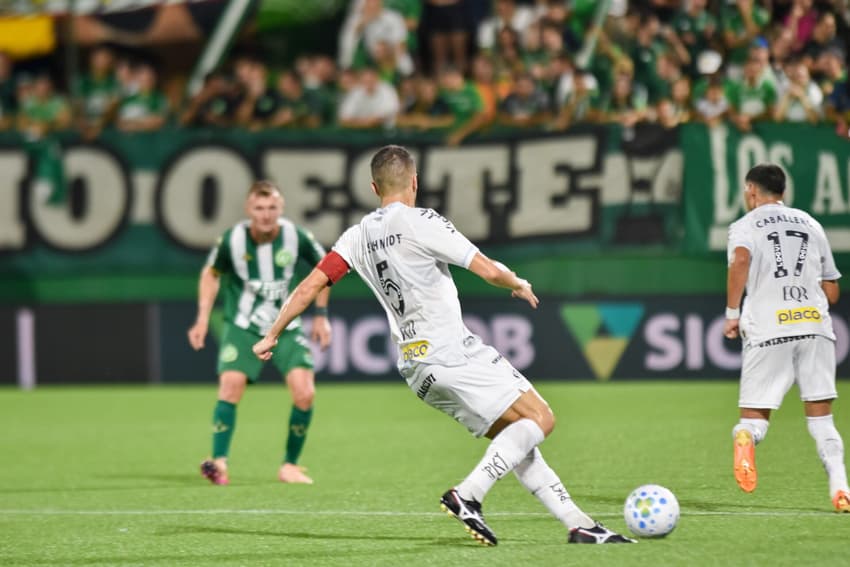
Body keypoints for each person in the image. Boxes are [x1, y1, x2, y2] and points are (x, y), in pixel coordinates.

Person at [252, 145, 635, 545]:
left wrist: (273, 332)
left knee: (518, 438)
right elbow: (487, 269)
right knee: (541, 418)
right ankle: (467, 494)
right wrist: (517, 282)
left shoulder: (355, 237)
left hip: (416, 370)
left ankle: (579, 524)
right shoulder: (423, 222)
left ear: (373, 187)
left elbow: (311, 284)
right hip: (451, 351)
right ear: (415, 181)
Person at [723, 163, 850, 512]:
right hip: (813, 326)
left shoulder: (744, 226)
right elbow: (832, 290)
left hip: (768, 328)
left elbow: (740, 262)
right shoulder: (811, 223)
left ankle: (746, 438)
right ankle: (841, 488)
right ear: (783, 192)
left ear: (751, 190)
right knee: (822, 420)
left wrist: (732, 314)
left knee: (752, 420)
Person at [188, 180, 332, 486]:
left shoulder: (296, 236)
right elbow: (210, 274)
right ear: (248, 209)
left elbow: (326, 269)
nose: (266, 214)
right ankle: (220, 463)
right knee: (230, 387)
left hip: (286, 325)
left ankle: (290, 466)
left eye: (271, 208)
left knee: (305, 393)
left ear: (280, 208)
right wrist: (202, 318)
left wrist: (321, 316)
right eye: (259, 208)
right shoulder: (232, 240)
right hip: (243, 325)